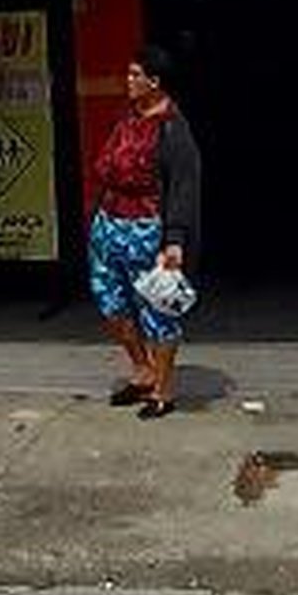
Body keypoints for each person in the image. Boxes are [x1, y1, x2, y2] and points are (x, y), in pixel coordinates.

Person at [85, 49, 202, 420]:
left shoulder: (172, 128)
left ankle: (163, 388)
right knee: (110, 301)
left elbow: (184, 186)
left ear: (155, 82)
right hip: (110, 223)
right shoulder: (129, 119)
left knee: (156, 308)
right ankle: (142, 368)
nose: (129, 81)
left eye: (136, 75)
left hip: (146, 228)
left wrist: (175, 240)